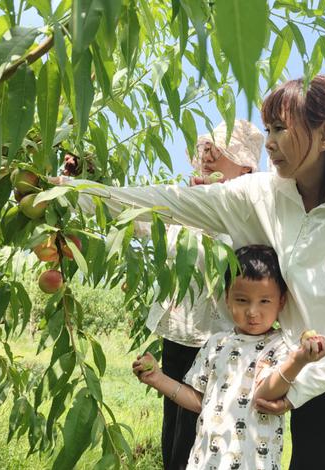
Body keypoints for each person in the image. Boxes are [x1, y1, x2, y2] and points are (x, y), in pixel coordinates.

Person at [62, 74, 325, 469]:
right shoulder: (263, 195)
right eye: (268, 129)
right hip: (305, 365)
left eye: (281, 129)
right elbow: (171, 203)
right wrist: (66, 191)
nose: (269, 142)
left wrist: (301, 385)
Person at [137, 119, 265, 470]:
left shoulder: (251, 215)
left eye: (219, 151)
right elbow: (141, 220)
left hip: (224, 345)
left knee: (210, 439)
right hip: (180, 336)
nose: (206, 158)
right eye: (204, 150)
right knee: (175, 436)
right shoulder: (189, 202)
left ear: (246, 167)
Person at [132, 245, 325, 470]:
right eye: (242, 300)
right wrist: (157, 378)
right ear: (227, 298)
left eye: (264, 301)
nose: (252, 312)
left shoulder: (282, 347)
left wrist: (299, 359)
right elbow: (199, 400)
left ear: (281, 302)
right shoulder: (216, 344)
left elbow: (264, 395)